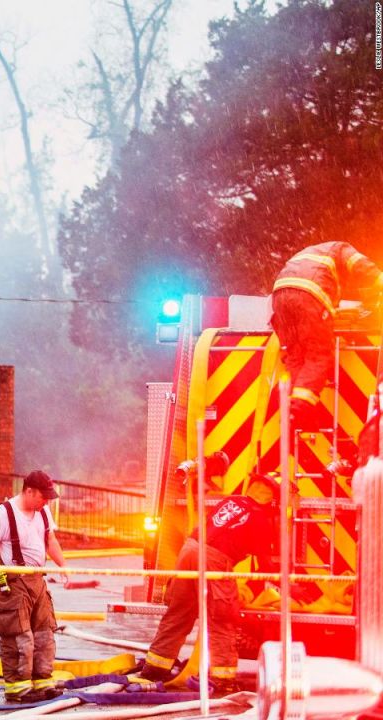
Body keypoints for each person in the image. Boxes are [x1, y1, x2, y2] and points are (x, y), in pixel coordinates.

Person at [136, 473, 296, 694]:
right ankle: (222, 680)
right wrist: (288, 584)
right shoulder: (260, 517)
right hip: (214, 560)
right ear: (273, 498)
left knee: (179, 612)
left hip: (189, 550)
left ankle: (154, 669)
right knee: (222, 618)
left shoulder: (231, 501)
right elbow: (265, 560)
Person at [0, 471, 69, 704]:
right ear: (29, 491)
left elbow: (51, 541)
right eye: (42, 496)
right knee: (18, 637)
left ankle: (42, 682)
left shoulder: (43, 511)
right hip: (15, 582)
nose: (46, 502)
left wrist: (63, 566)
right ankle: (17, 688)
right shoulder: (2, 515)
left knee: (44, 634)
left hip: (38, 580)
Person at [272, 241, 383, 428]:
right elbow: (361, 266)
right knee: (318, 354)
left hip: (279, 296)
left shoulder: (311, 254)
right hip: (309, 296)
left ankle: (291, 408)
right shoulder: (340, 249)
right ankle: (299, 410)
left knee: (296, 355)